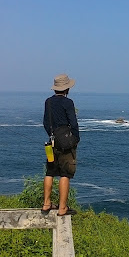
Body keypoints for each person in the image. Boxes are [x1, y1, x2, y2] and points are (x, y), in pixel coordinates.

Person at [42, 73, 80, 216]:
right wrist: (75, 138)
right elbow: (73, 123)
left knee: (50, 172)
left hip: (52, 141)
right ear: (67, 89)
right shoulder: (67, 102)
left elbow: (45, 122)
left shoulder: (48, 102)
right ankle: (62, 208)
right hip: (66, 143)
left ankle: (46, 204)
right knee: (65, 174)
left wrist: (52, 135)